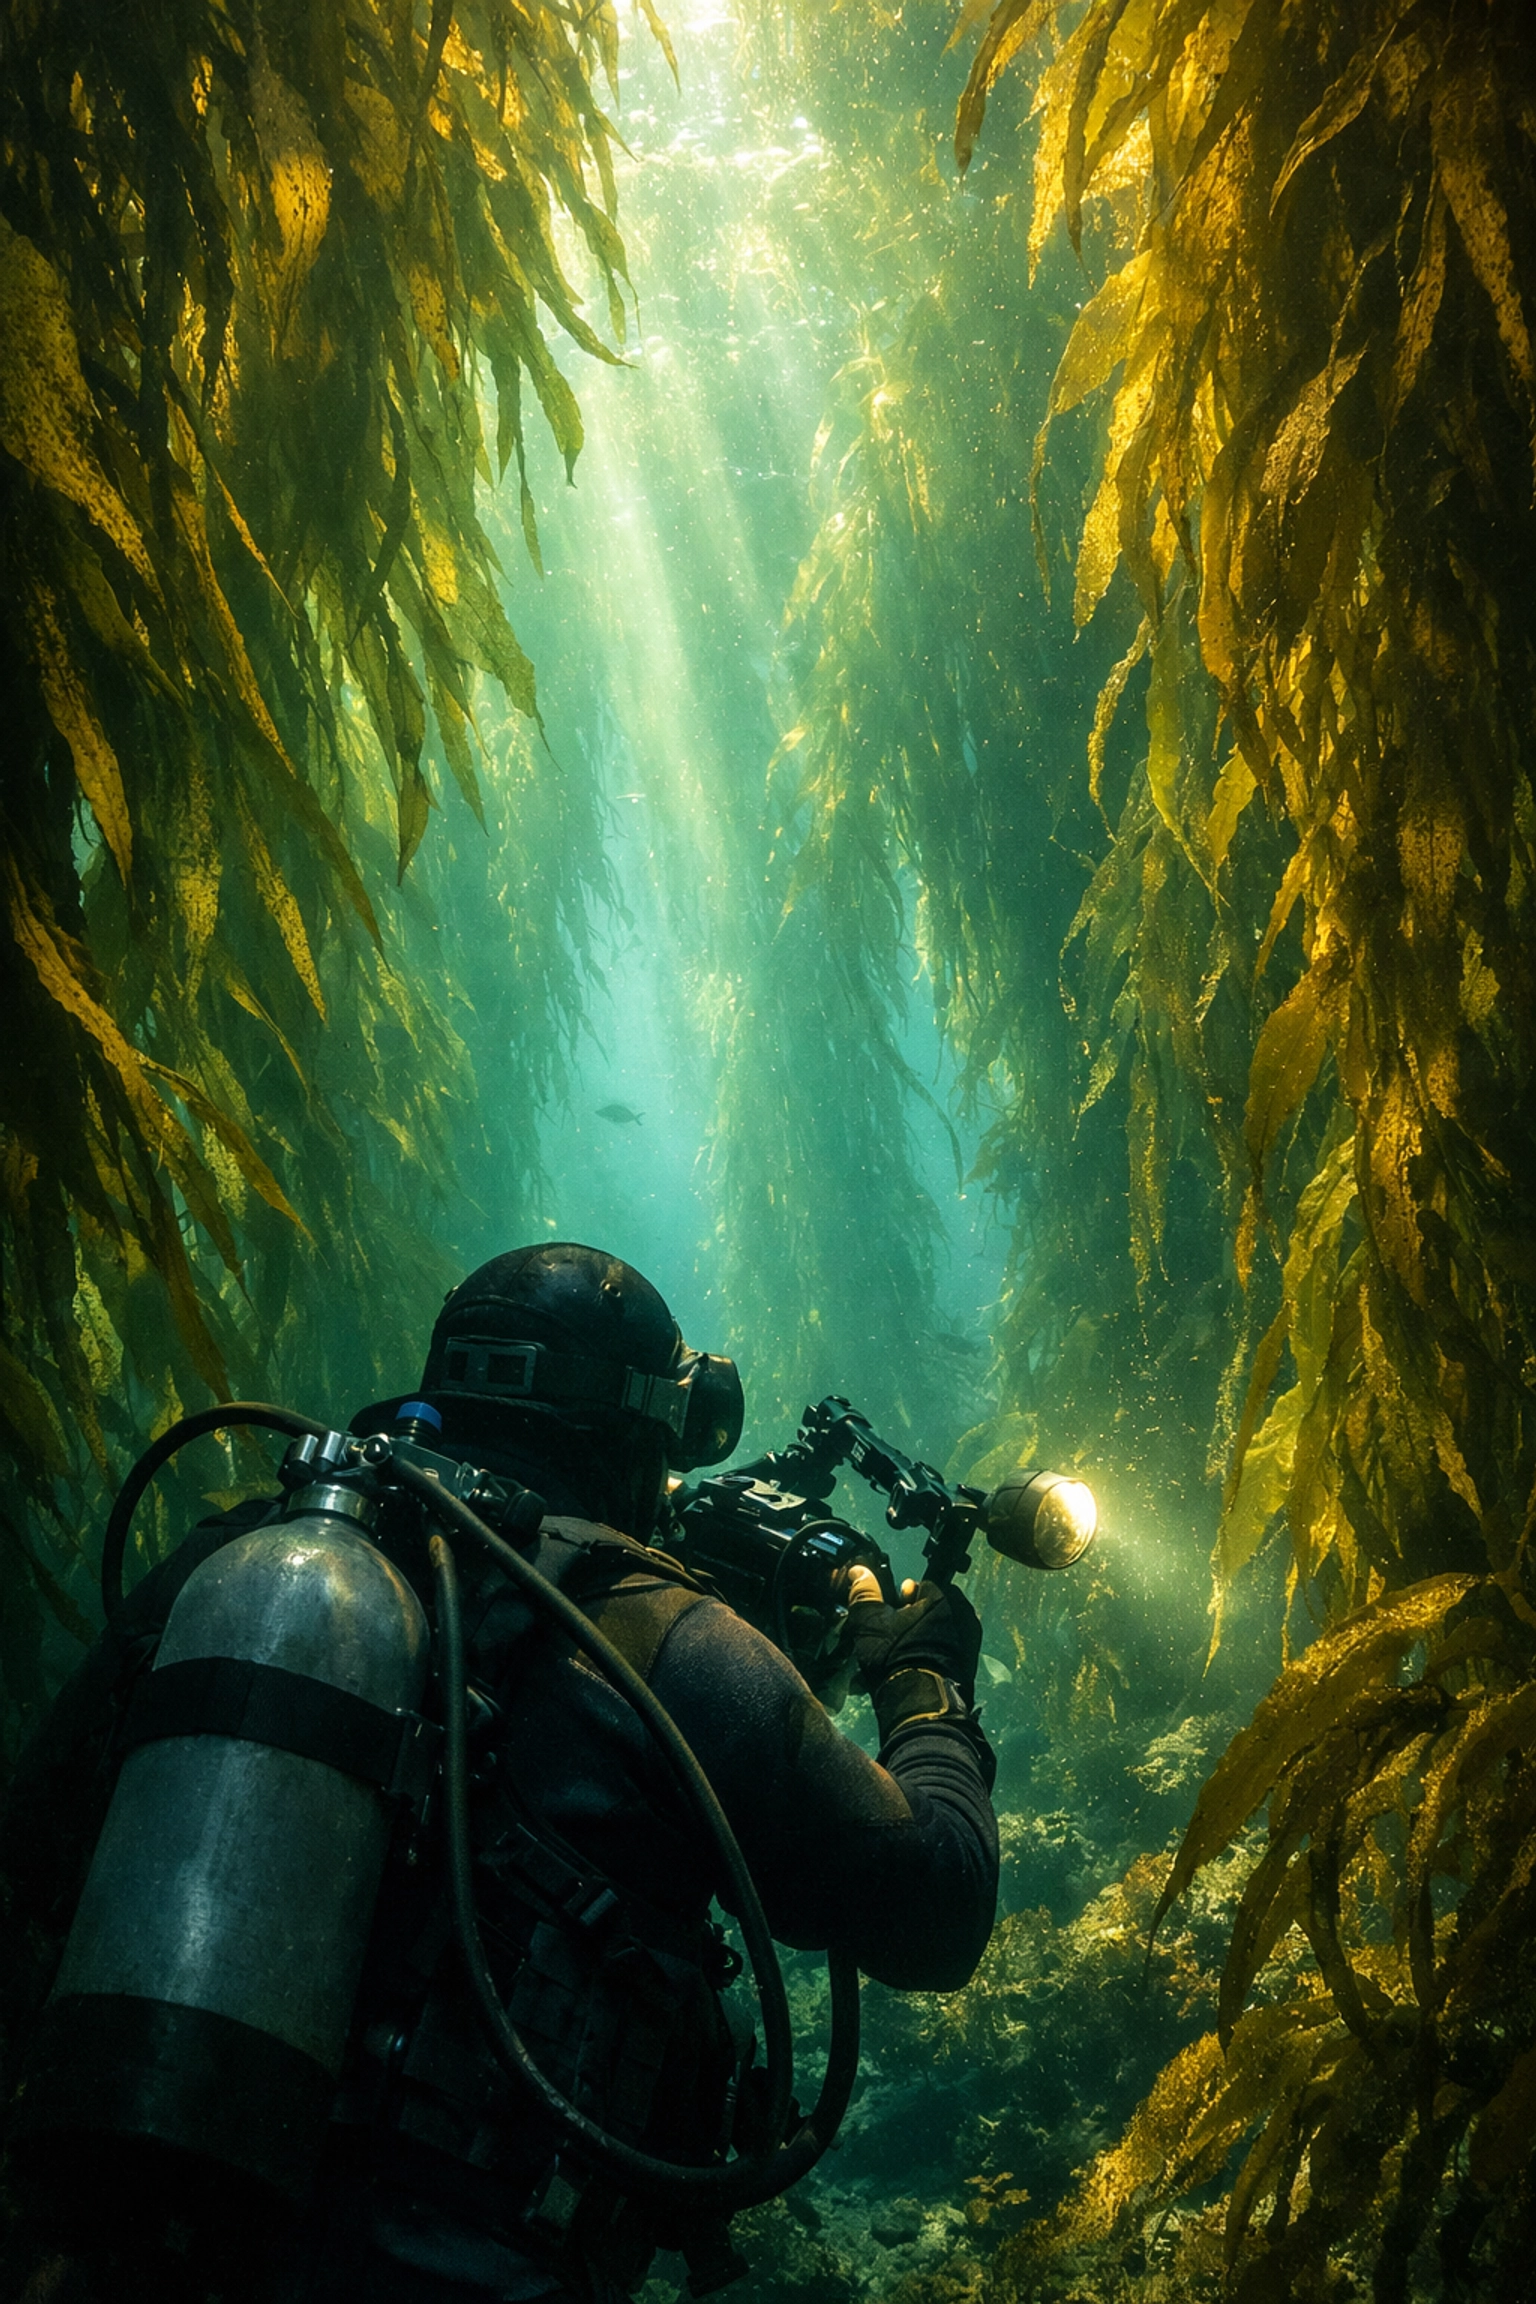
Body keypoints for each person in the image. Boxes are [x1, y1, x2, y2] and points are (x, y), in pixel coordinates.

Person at [0, 1243, 999, 2304]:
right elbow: (935, 1906)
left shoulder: (231, 1564)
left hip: (119, 2245)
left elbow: (31, 1861)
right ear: (636, 1420)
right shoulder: (658, 1637)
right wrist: (925, 1681)